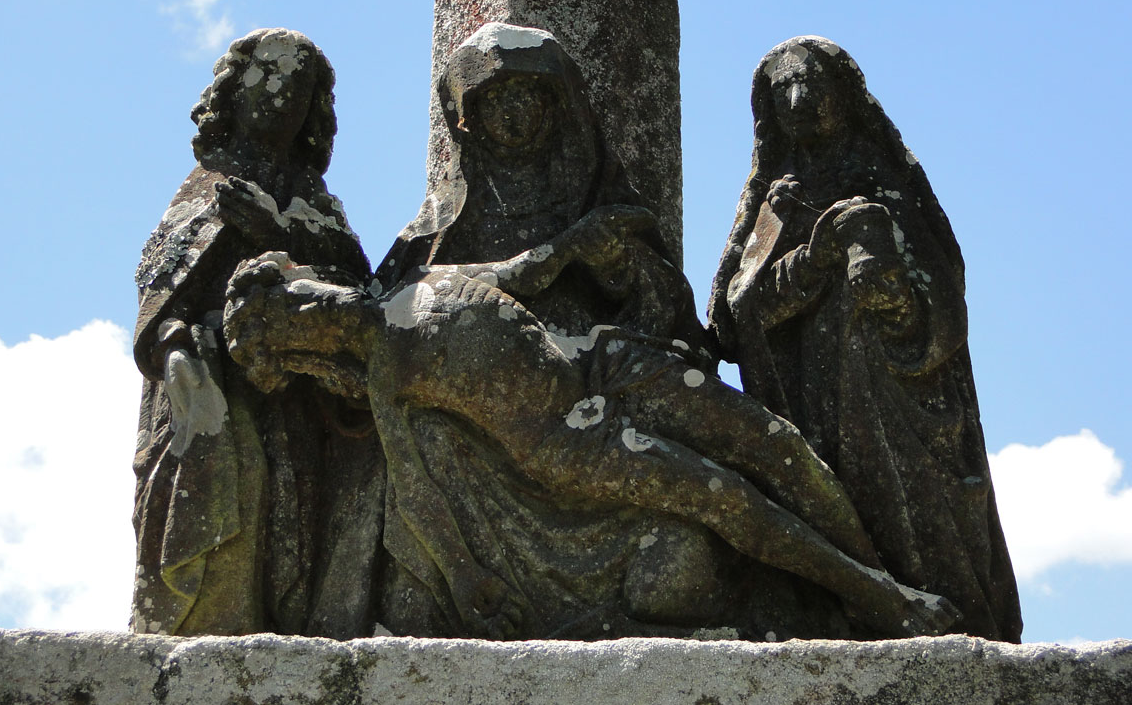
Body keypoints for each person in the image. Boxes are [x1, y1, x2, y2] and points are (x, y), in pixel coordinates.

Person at [223, 245, 961, 641]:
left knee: (773, 442)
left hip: (601, 360)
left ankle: (874, 576)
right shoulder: (386, 375)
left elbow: (519, 274)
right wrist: (465, 576)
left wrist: (586, 239)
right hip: (568, 443)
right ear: (307, 354)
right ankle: (883, 600)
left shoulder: (417, 282)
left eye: (300, 296)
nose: (313, 310)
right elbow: (414, 488)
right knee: (729, 501)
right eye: (297, 324)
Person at [708, 36, 1022, 642]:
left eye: (813, 86)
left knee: (927, 527)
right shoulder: (777, 195)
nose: (798, 100)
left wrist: (899, 303)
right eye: (782, 91)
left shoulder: (888, 182)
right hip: (808, 403)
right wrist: (812, 254)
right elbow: (732, 316)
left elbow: (944, 295)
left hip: (899, 398)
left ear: (845, 96)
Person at [131, 28, 377, 636]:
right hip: (215, 381)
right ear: (231, 93)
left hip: (299, 396)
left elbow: (357, 297)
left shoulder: (318, 203)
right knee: (235, 501)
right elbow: (162, 289)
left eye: (298, 85)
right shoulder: (207, 187)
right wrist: (176, 344)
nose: (281, 95)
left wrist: (284, 236)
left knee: (294, 523)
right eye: (266, 76)